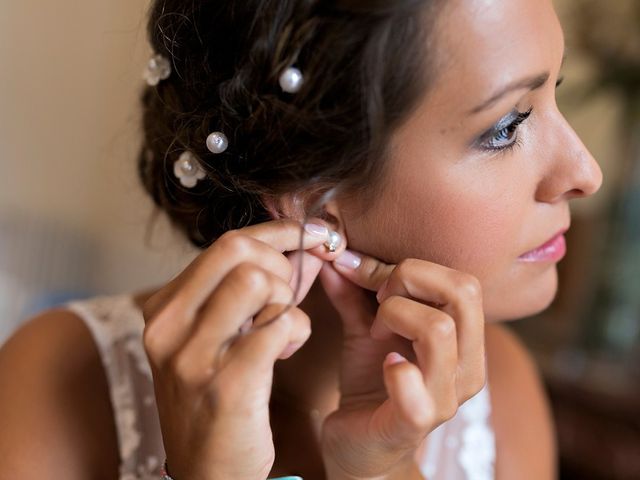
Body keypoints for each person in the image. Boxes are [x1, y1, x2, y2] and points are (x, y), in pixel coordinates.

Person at [0, 0, 603, 478]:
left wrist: (383, 472)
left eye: (557, 92)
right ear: (315, 198)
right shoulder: (55, 384)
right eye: (507, 127)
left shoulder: (502, 394)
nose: (585, 172)